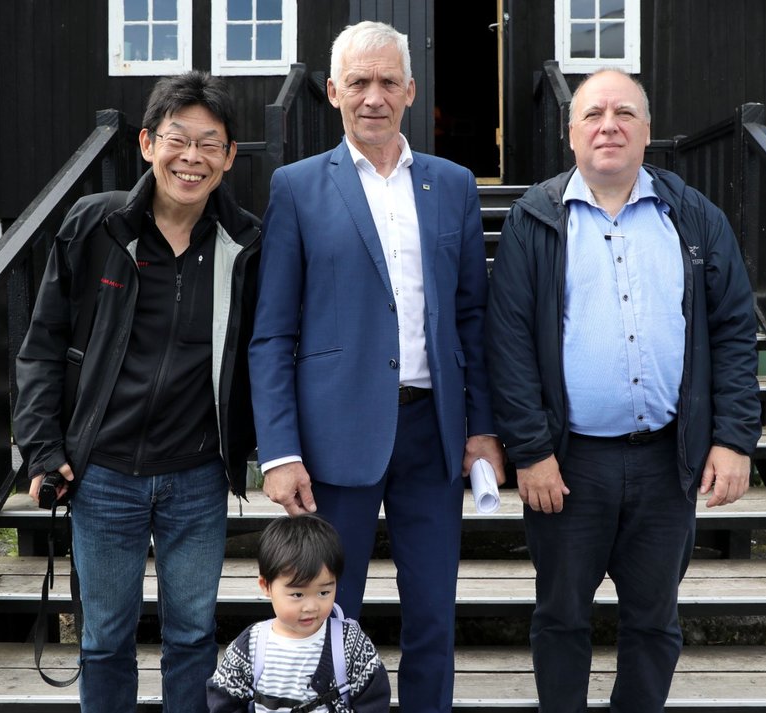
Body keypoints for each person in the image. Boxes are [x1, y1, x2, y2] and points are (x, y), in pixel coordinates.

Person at [484, 68, 761, 712]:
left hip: (668, 460)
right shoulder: (533, 219)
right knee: (560, 618)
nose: (609, 125)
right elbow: (510, 343)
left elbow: (732, 330)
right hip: (568, 462)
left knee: (654, 621)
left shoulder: (693, 216)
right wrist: (529, 450)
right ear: (571, 133)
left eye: (624, 114)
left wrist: (733, 438)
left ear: (647, 131)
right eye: (593, 115)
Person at [247, 20, 504, 713]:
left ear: (410, 91)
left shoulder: (451, 185)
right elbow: (272, 331)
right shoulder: (297, 187)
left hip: (433, 434)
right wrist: (280, 449)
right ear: (332, 91)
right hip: (334, 439)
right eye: (358, 82)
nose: (373, 96)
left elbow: (471, 318)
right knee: (328, 618)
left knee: (433, 618)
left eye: (388, 81)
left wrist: (481, 427)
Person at [13, 70, 261, 712]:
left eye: (211, 144)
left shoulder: (247, 243)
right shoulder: (96, 226)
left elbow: (268, 353)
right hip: (103, 474)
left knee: (192, 636)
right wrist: (42, 451)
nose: (193, 158)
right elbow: (43, 346)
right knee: (104, 641)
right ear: (149, 143)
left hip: (198, 474)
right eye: (179, 140)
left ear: (230, 157)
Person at [206, 514, 391, 712]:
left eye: (324, 592)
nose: (311, 606)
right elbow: (224, 701)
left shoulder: (351, 644)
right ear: (266, 586)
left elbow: (374, 701)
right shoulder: (251, 646)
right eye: (297, 594)